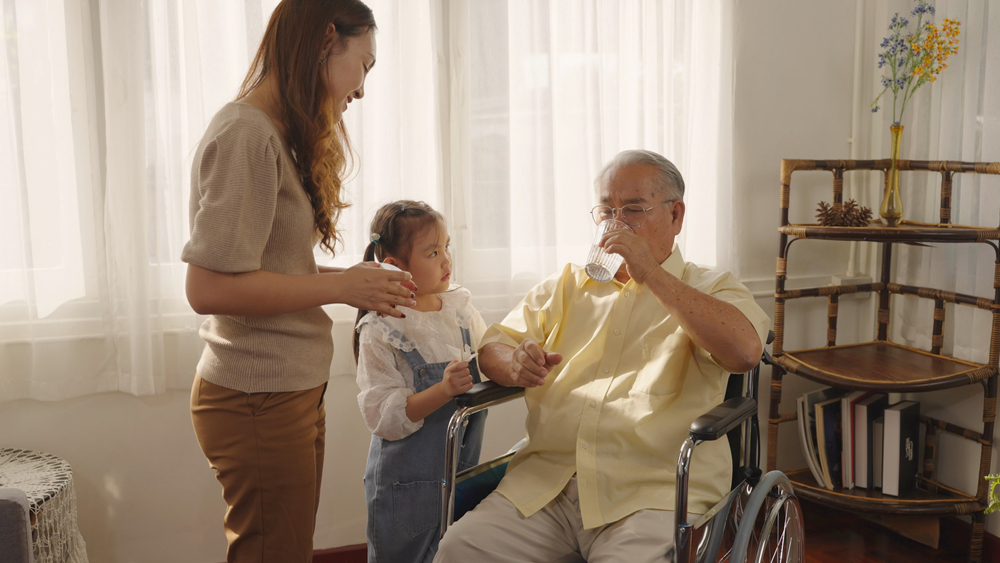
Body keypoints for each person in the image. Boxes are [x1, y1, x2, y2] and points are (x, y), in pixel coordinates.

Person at [434, 150, 771, 563]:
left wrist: (651, 274)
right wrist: (513, 362)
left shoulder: (711, 287)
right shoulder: (568, 284)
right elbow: (493, 347)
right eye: (607, 211)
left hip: (653, 491)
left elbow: (744, 352)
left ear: (676, 216)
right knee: (458, 550)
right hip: (549, 483)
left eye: (633, 209)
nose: (617, 223)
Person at [181, 2, 416, 561]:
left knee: (285, 549)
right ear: (325, 40)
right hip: (256, 395)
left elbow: (269, 271)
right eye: (365, 64)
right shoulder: (246, 134)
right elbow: (208, 289)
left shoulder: (275, 134)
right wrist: (340, 289)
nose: (362, 88)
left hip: (286, 389)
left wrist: (356, 281)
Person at [353, 200, 489, 563]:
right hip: (406, 490)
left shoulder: (459, 310)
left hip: (460, 478)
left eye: (446, 248)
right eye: (432, 252)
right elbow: (384, 417)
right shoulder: (383, 328)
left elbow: (490, 353)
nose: (447, 261)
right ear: (395, 267)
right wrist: (443, 390)